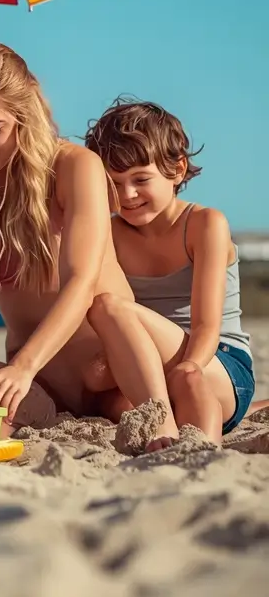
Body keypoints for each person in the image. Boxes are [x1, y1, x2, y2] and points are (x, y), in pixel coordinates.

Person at [0, 41, 185, 449]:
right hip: (46, 385)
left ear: (23, 117)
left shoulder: (74, 167)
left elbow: (82, 283)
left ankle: (163, 425)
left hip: (115, 366)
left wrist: (22, 366)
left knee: (108, 318)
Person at [84, 99, 255, 444]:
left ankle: (201, 450)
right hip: (152, 365)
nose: (127, 195)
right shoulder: (110, 232)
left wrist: (189, 367)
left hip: (216, 359)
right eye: (114, 184)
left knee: (109, 308)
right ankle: (165, 431)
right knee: (97, 386)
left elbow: (207, 325)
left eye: (140, 179)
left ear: (177, 170)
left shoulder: (204, 224)